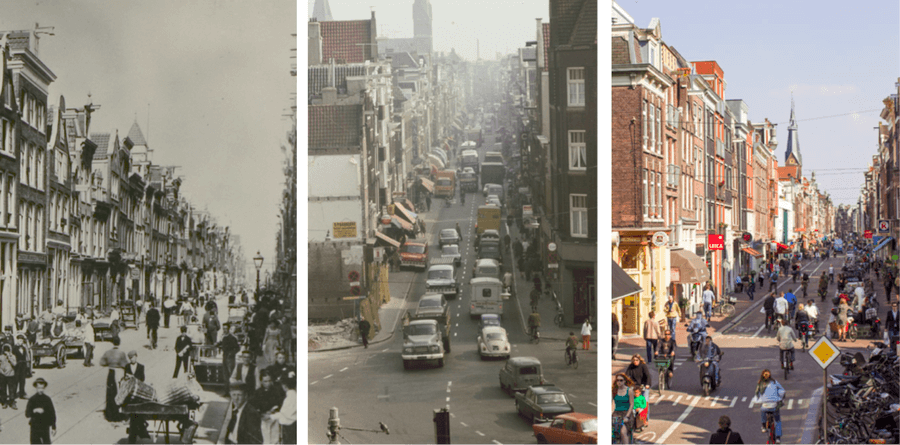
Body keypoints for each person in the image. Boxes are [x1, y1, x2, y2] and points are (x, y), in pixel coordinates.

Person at [251, 369, 286, 445]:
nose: (268, 383)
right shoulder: (258, 393)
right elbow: (254, 406)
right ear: (261, 382)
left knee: (275, 439)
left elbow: (281, 404)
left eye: (269, 381)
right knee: (266, 440)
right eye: (265, 381)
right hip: (263, 419)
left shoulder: (277, 391)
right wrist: (261, 413)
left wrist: (274, 411)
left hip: (274, 418)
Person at [99, 336, 128, 422]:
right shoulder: (121, 353)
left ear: (112, 343)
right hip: (119, 373)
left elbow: (102, 362)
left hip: (111, 372)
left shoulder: (108, 352)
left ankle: (110, 414)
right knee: (119, 393)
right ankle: (118, 414)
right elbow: (125, 365)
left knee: (110, 393)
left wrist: (110, 363)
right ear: (119, 343)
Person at [754, 369, 785, 444]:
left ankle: (764, 426)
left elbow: (757, 394)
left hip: (765, 406)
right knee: (777, 420)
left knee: (762, 410)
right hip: (774, 405)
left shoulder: (760, 383)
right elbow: (782, 391)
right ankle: (778, 438)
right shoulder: (774, 382)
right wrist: (779, 397)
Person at [268, 369, 297, 445]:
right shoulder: (292, 395)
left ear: (284, 385)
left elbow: (285, 414)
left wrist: (270, 416)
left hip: (289, 427)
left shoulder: (290, 397)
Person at [25, 378, 55, 444]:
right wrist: (34, 410)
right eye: (38, 388)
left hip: (45, 426)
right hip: (35, 426)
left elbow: (52, 414)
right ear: (36, 387)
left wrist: (53, 427)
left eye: (42, 388)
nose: (40, 390)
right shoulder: (32, 399)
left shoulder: (47, 399)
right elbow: (27, 414)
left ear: (44, 388)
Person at [612, 373, 635, 445]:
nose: (619, 382)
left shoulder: (629, 391)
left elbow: (631, 404)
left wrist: (627, 416)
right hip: (616, 414)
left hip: (627, 413)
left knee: (622, 432)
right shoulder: (614, 391)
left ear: (624, 381)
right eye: (617, 380)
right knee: (613, 432)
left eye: (621, 380)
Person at [0, 344, 17, 409]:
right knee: (3, 389)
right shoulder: (1, 357)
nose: (6, 352)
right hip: (2, 375)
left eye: (7, 350)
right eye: (5, 350)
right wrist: (1, 371)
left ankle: (12, 402)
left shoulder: (13, 356)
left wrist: (9, 358)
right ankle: (4, 402)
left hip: (10, 375)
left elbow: (14, 364)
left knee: (11, 389)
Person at [13, 335, 28, 399]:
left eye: (21, 340)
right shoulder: (14, 348)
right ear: (17, 340)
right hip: (17, 366)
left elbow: (26, 357)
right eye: (19, 340)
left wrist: (27, 365)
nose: (20, 341)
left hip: (23, 365)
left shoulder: (24, 348)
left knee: (22, 380)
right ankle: (13, 394)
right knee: (16, 380)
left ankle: (22, 393)